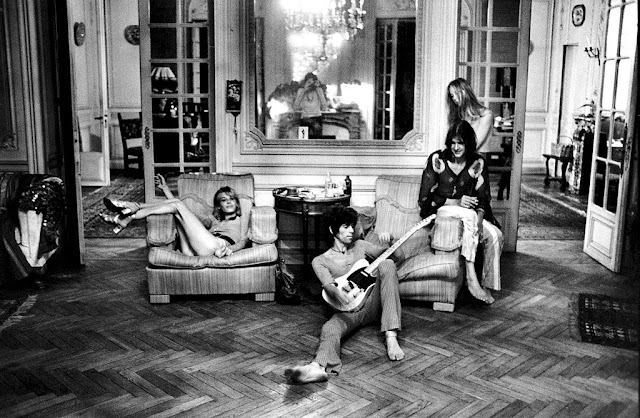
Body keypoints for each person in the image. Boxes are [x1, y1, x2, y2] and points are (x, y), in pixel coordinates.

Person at [285, 207, 405, 384]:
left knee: (387, 264)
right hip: (348, 310)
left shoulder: (361, 246)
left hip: (372, 303)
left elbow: (398, 258)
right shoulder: (320, 260)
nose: (351, 231)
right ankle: (316, 367)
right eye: (345, 226)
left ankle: (391, 336)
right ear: (332, 230)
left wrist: (392, 240)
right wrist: (338, 294)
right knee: (329, 328)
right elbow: (328, 286)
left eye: (352, 226)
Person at [418, 120, 503, 304]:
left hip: (471, 216)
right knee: (469, 215)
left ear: (468, 143)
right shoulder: (437, 159)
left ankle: (486, 285)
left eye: (461, 143)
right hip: (442, 212)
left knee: (495, 236)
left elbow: (483, 198)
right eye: (453, 142)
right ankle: (471, 277)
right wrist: (456, 201)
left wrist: (479, 222)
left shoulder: (477, 162)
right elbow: (424, 199)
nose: (456, 147)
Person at [99, 174, 247, 258]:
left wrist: (230, 250)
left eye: (231, 199)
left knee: (177, 206)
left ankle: (130, 212)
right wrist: (165, 189)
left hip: (215, 247)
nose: (229, 202)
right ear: (219, 206)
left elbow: (244, 241)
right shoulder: (212, 220)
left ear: (237, 202)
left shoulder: (241, 219)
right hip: (191, 251)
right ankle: (130, 213)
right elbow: (182, 210)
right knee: (177, 209)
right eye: (224, 200)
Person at [446, 78, 494, 151]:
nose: (454, 98)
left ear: (466, 92)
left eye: (457, 93)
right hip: (460, 156)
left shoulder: (486, 115)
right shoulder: (458, 116)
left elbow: (474, 145)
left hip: (479, 156)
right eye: (452, 96)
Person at [293, 72, 328, 138]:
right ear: (305, 82)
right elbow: (295, 106)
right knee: (302, 139)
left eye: (312, 82)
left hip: (317, 117)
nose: (310, 85)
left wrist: (318, 89)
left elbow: (324, 106)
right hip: (305, 118)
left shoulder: (318, 90)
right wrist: (304, 90)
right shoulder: (301, 90)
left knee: (318, 141)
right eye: (308, 82)